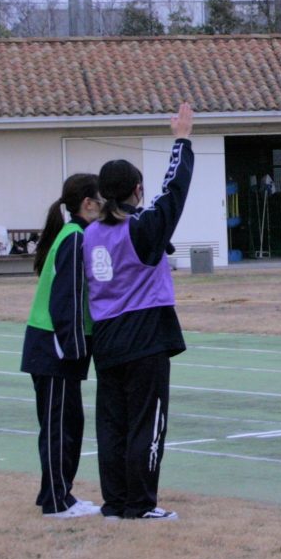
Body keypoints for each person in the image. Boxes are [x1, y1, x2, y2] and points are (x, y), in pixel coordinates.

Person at [86, 103, 194, 520]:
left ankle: (114, 501)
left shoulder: (89, 233)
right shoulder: (141, 227)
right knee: (148, 422)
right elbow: (174, 192)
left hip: (107, 336)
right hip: (145, 334)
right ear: (135, 190)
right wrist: (181, 140)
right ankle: (142, 503)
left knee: (112, 424)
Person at [20, 172, 104, 519]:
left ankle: (56, 493)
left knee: (70, 424)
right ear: (88, 204)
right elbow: (65, 299)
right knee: (58, 427)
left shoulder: (75, 235)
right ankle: (56, 501)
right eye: (102, 199)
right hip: (53, 346)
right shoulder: (73, 238)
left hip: (59, 346)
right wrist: (73, 348)